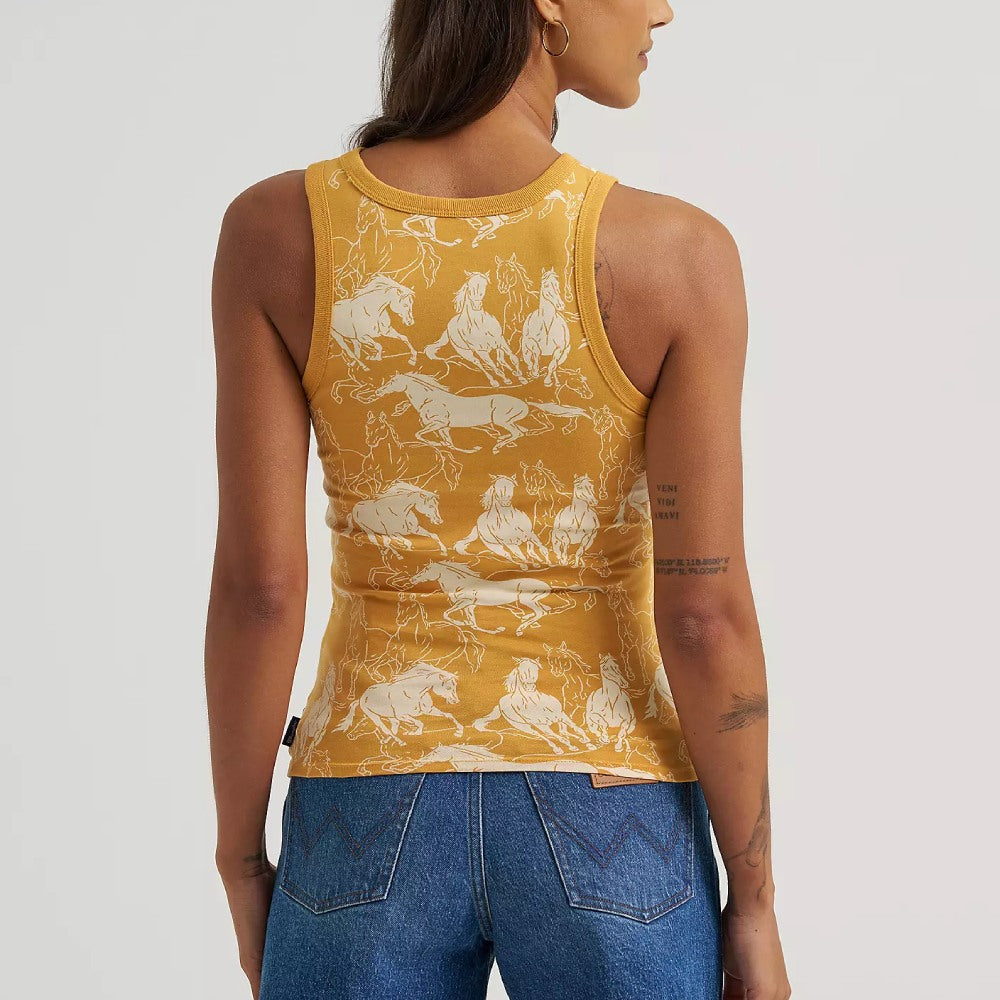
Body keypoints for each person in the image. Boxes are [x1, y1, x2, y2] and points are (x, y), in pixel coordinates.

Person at [206, 2, 791, 998]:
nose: (663, 8)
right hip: (611, 806)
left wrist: (240, 859)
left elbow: (259, 593)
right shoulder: (675, 254)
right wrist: (756, 901)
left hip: (363, 802)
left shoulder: (276, 232)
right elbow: (704, 615)